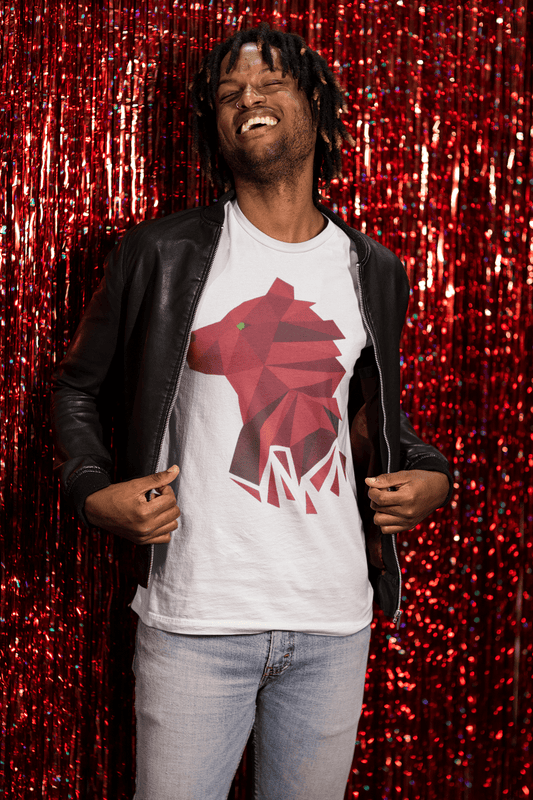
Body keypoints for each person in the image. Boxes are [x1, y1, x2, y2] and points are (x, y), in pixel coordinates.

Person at [52, 23, 452, 800]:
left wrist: (431, 475)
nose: (249, 101)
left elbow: (373, 422)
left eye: (270, 84)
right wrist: (88, 488)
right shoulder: (161, 253)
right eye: (230, 94)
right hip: (195, 618)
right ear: (215, 126)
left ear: (314, 103)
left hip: (335, 617)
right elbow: (77, 388)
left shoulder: (372, 270)